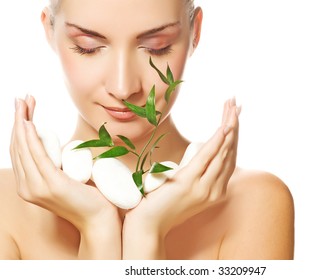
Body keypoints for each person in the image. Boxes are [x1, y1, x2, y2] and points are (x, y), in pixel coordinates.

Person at [0, 0, 294, 259]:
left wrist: (146, 232)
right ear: (50, 32)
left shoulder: (252, 204)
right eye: (88, 48)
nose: (123, 87)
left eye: (157, 47)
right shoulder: (6, 206)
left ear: (195, 33)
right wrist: (97, 227)